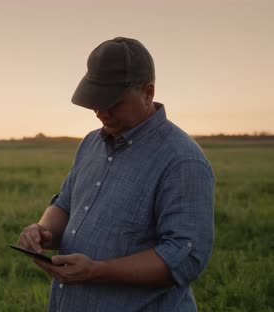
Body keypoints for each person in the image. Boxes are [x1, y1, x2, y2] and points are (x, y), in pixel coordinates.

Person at [17, 37, 214, 311]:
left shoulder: (182, 161)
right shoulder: (90, 143)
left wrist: (97, 270)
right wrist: (43, 231)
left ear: (148, 92)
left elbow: (184, 258)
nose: (101, 112)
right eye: (95, 102)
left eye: (113, 102)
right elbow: (65, 204)